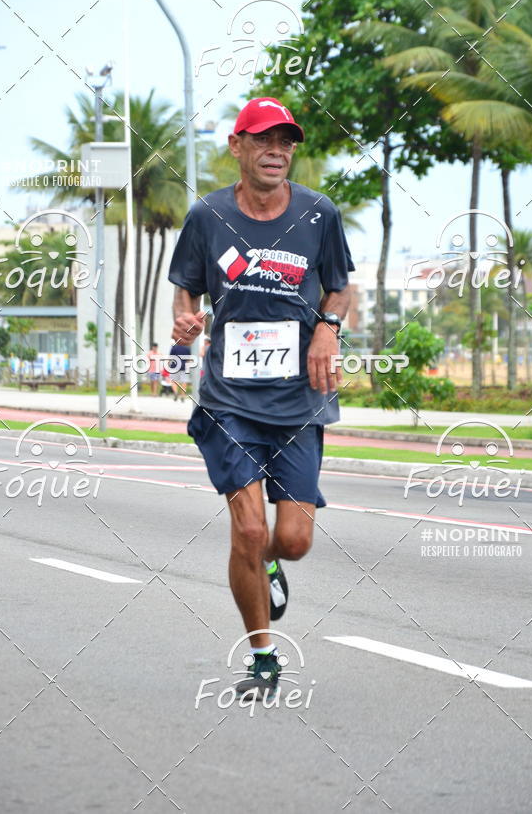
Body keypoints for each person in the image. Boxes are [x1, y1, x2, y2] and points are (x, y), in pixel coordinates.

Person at [168, 97, 353, 699]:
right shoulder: (208, 216)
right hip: (228, 400)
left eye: (287, 141)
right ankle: (263, 659)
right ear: (238, 146)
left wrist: (328, 328)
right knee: (247, 531)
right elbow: (185, 295)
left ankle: (270, 562)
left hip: (298, 401)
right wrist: (187, 322)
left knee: (292, 541)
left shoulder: (318, 215)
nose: (277, 151)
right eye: (264, 140)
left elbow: (340, 289)